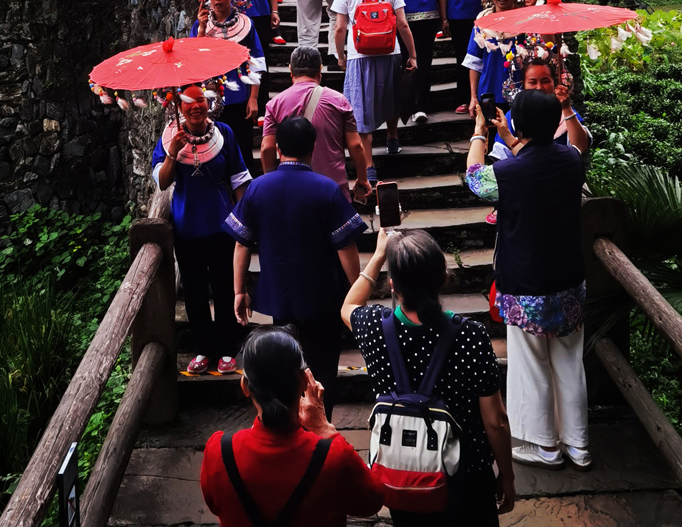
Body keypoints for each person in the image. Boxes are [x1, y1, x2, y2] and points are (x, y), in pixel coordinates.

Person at [341, 225, 517, 525]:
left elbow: (349, 305)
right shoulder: (471, 336)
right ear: (444, 279)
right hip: (466, 476)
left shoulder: (374, 329)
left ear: (394, 286)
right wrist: (508, 477)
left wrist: (380, 254)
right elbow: (495, 420)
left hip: (404, 474)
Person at [466, 91, 589, 470]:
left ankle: (544, 446)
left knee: (531, 364)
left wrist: (479, 134)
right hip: (569, 278)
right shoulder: (570, 159)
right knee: (570, 361)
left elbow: (474, 180)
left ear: (518, 124)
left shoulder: (508, 174)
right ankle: (578, 444)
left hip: (526, 283)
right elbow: (539, 159)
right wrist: (510, 139)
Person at [226, 116, 368, 419]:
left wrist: (239, 292)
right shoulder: (327, 189)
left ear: (278, 149)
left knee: (284, 364)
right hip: (323, 296)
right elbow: (346, 246)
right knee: (323, 367)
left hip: (278, 296)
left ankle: (287, 427)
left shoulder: (257, 188)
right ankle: (319, 426)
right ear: (313, 149)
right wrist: (358, 289)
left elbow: (241, 243)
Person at [200, 327, 385, 527]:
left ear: (245, 387)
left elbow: (215, 504)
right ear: (305, 381)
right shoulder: (333, 457)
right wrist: (324, 429)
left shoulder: (219, 452)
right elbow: (372, 501)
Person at [152, 85, 252, 375]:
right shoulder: (171, 136)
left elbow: (239, 178)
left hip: (222, 224)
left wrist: (246, 220)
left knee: (223, 287)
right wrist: (172, 153)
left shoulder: (225, 133)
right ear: (180, 108)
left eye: (201, 101)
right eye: (189, 103)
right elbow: (162, 182)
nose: (196, 107)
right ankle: (203, 349)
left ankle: (226, 349)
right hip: (187, 226)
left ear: (209, 104)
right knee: (194, 291)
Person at [332, 0, 418, 173]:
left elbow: (339, 28)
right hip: (391, 52)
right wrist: (413, 55)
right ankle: (392, 138)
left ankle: (369, 166)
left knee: (361, 108)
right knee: (390, 94)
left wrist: (340, 55)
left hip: (359, 56)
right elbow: (403, 24)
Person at [260, 45, 371, 203]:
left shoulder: (275, 104)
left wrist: (270, 181)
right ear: (320, 69)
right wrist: (362, 178)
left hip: (291, 189)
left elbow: (267, 148)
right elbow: (356, 145)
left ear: (290, 69)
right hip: (333, 187)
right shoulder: (339, 101)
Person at [192, 0, 265, 171]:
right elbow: (193, 60)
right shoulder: (199, 26)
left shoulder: (246, 25)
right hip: (208, 100)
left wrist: (253, 97)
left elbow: (257, 61)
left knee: (242, 150)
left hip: (238, 98)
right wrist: (201, 30)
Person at [464, 0, 537, 118]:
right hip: (489, 95)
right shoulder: (482, 23)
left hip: (522, 95)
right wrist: (473, 97)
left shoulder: (527, 20)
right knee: (492, 139)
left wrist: (532, 13)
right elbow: (474, 62)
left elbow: (540, 50)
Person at [490, 60, 591, 164]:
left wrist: (566, 109)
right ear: (523, 85)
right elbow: (501, 159)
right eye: (533, 82)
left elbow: (580, 147)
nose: (539, 87)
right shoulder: (513, 116)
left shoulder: (567, 113)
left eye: (545, 81)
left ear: (554, 82)